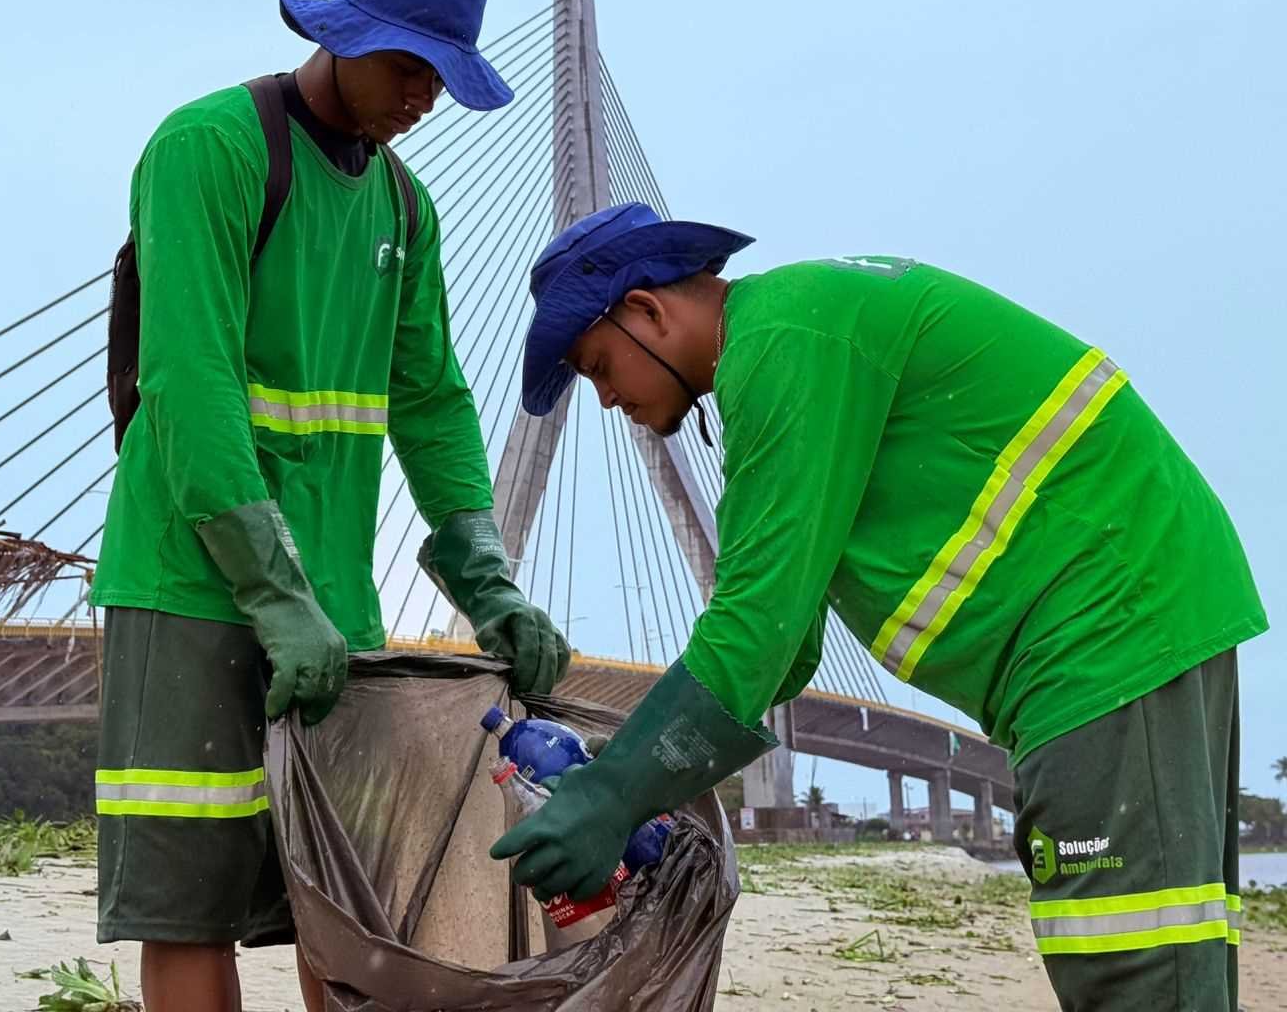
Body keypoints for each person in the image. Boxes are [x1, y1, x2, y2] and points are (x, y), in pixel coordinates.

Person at [490, 201, 1266, 1012]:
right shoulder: (794, 340)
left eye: (599, 367)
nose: (607, 400)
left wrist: (609, 798)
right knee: (1158, 952)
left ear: (647, 310)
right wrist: (633, 783)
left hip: (1110, 624)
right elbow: (785, 654)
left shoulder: (785, 343)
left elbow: (756, 635)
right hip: (1125, 620)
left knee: (1131, 962)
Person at [89, 0, 570, 1012]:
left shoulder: (404, 207)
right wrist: (268, 588)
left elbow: (435, 398)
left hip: (335, 606)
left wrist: (483, 571)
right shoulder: (209, 149)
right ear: (340, 36)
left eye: (441, 79)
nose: (422, 100)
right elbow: (188, 382)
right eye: (407, 68)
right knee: (192, 899)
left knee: (350, 905)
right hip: (190, 586)